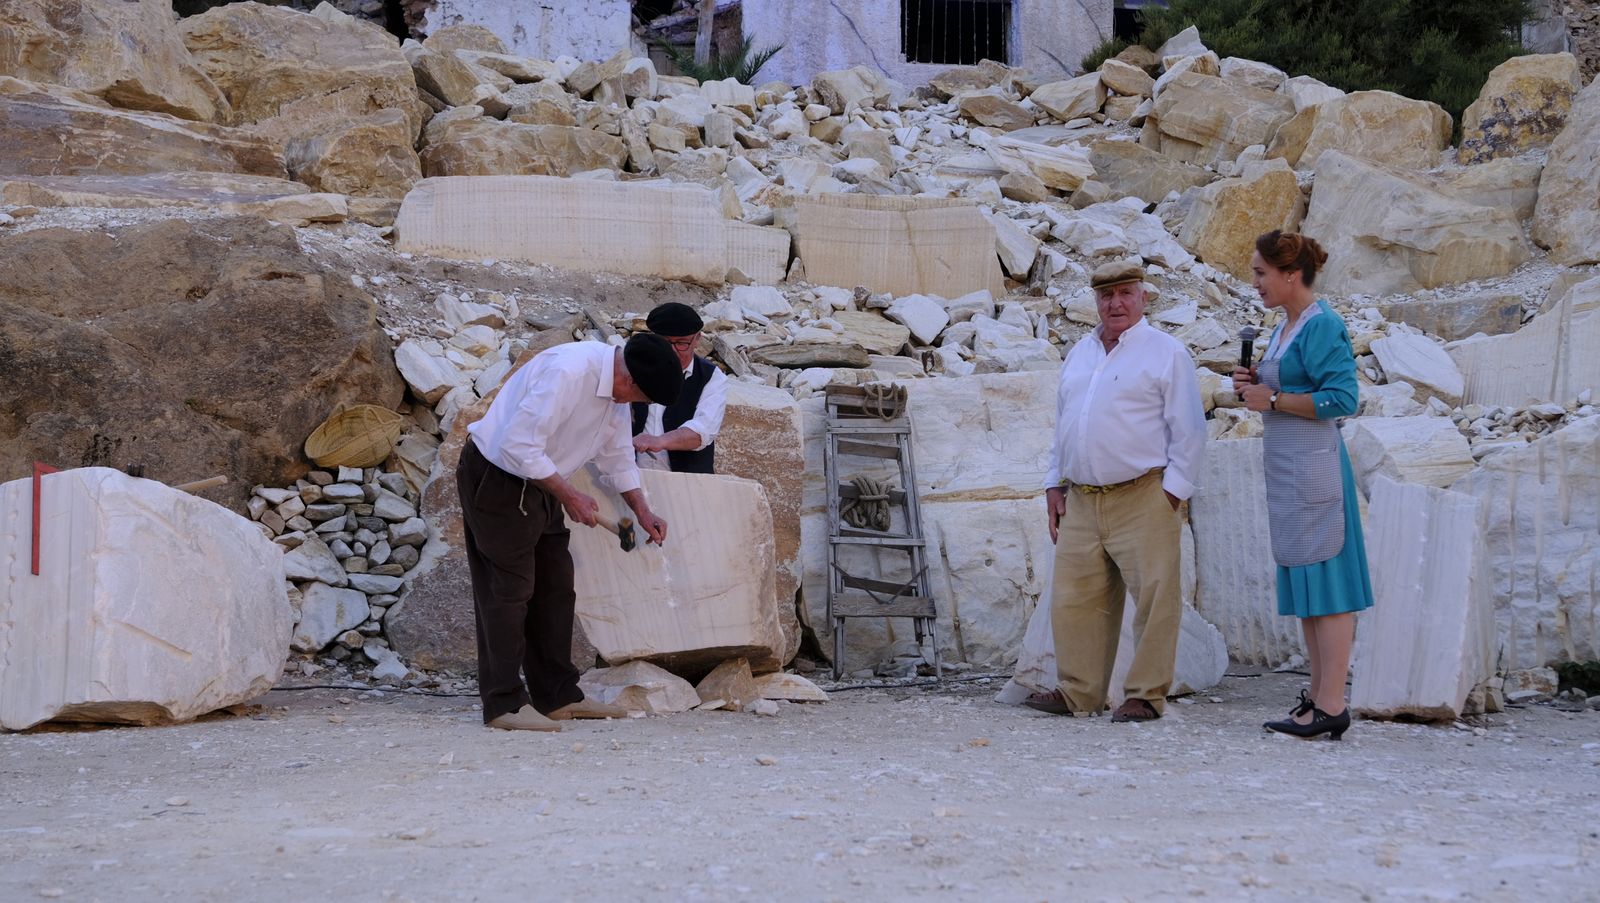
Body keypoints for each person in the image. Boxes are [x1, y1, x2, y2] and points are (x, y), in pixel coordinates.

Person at [458, 334, 683, 732]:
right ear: (628, 379)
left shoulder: (617, 391)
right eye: (635, 399)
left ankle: (558, 696)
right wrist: (570, 495)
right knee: (508, 590)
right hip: (499, 477)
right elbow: (519, 444)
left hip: (543, 481)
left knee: (557, 587)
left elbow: (615, 456)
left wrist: (643, 510)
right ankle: (503, 703)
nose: (629, 406)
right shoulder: (567, 371)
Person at [1024, 260, 1207, 723]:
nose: (1116, 303)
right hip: (1082, 496)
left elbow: (1188, 428)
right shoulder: (1081, 352)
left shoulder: (1166, 352)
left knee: (1154, 599)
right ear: (1095, 301)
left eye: (1126, 293)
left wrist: (1174, 492)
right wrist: (1053, 482)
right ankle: (1078, 692)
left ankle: (1145, 695)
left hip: (1143, 493)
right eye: (1106, 295)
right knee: (1074, 598)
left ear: (1144, 297)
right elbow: (1064, 423)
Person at [1232, 230, 1373, 741]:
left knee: (1330, 588)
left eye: (1261, 273)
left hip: (1316, 469)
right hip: (1291, 468)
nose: (1255, 283)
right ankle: (1316, 699)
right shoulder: (1285, 327)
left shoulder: (1322, 326)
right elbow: (1286, 390)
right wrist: (1254, 389)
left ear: (1291, 275)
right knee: (1308, 585)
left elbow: (1342, 399)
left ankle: (1333, 701)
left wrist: (1271, 401)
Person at [630, 302, 728, 474]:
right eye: (665, 342)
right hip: (632, 475)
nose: (673, 351)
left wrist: (660, 441)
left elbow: (702, 432)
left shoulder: (711, 377)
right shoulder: (634, 366)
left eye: (682, 343)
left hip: (686, 484)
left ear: (697, 339)